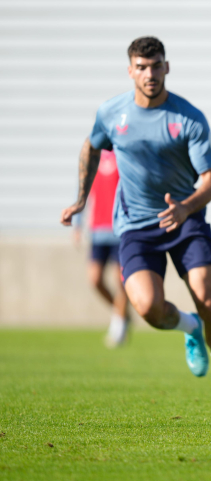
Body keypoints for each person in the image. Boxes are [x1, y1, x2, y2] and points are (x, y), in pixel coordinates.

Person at [60, 36, 211, 400]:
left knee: (207, 298)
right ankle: (189, 328)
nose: (150, 73)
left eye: (156, 65)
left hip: (186, 220)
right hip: (136, 226)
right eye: (141, 67)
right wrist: (81, 199)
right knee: (148, 308)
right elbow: (92, 146)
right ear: (130, 71)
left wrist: (187, 207)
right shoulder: (112, 113)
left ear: (167, 67)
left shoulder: (189, 117)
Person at [74, 149, 130, 348]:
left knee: (120, 279)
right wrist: (78, 223)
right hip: (98, 229)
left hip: (120, 228)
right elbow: (83, 189)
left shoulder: (124, 153)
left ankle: (119, 324)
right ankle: (121, 312)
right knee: (95, 278)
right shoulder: (93, 157)